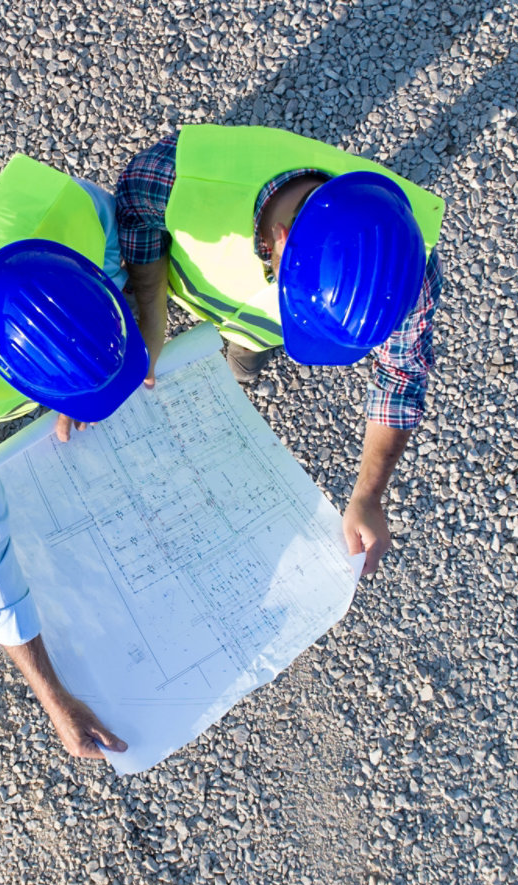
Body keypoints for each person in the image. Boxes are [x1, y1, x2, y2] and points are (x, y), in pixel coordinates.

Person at [0, 140, 431, 760]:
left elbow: (121, 241)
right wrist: (53, 696)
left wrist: (127, 335)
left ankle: (200, 341)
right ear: (23, 387)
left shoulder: (73, 210)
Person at [115, 124, 445, 580]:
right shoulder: (178, 178)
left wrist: (368, 495)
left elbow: (401, 375)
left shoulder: (404, 269)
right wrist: (152, 319)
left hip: (254, 331)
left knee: (243, 360)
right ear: (281, 240)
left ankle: (240, 369)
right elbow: (134, 213)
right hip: (190, 291)